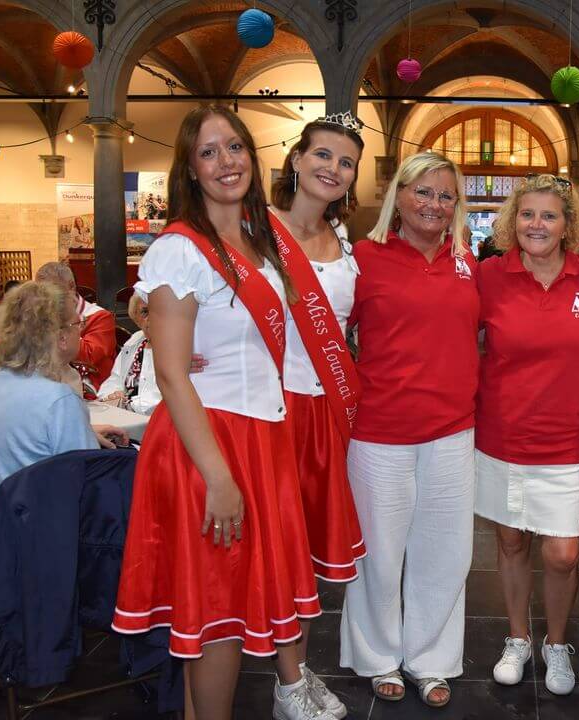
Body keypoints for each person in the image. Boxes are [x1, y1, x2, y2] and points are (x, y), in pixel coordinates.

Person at [111, 106, 327, 720]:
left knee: (220, 611)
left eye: (234, 147)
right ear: (191, 168)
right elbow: (173, 376)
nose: (226, 162)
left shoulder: (257, 241)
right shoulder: (182, 249)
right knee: (217, 619)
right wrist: (220, 478)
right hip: (212, 447)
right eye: (209, 152)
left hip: (258, 436)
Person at [341, 152, 479, 708]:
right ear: (398, 195)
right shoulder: (360, 259)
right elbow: (312, 323)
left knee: (445, 551)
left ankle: (434, 659)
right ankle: (377, 655)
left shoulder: (470, 262)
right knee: (378, 551)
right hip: (378, 430)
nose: (434, 204)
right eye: (423, 191)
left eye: (446, 196)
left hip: (452, 430)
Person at [475, 174, 579, 696]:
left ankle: (556, 643)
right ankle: (518, 638)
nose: (537, 225)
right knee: (509, 543)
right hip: (502, 434)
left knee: (562, 553)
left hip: (566, 438)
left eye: (549, 215)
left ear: (567, 224)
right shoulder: (487, 275)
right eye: (527, 214)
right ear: (512, 220)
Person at [266, 112, 368, 719]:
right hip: (268, 412)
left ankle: (296, 673)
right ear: (297, 161)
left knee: (305, 554)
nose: (332, 167)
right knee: (278, 547)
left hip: (326, 412)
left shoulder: (349, 249)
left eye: (346, 162)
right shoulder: (254, 232)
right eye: (323, 155)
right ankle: (288, 682)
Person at [0, 281, 127, 582]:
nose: (81, 329)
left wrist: (84, 430)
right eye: (78, 324)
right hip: (27, 563)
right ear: (61, 337)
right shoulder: (58, 401)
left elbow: (23, 438)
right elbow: (85, 495)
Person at [35, 262, 117, 390]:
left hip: (90, 391)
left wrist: (49, 332)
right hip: (46, 384)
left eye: (52, 290)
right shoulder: (39, 315)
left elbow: (89, 356)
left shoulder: (99, 317)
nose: (45, 297)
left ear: (71, 287)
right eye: (40, 292)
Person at [97, 293, 161, 415]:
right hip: (127, 420)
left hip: (160, 423)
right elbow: (114, 380)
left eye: (159, 310)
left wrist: (128, 404)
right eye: (145, 312)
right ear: (136, 318)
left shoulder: (181, 349)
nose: (152, 317)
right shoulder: (134, 343)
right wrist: (112, 395)